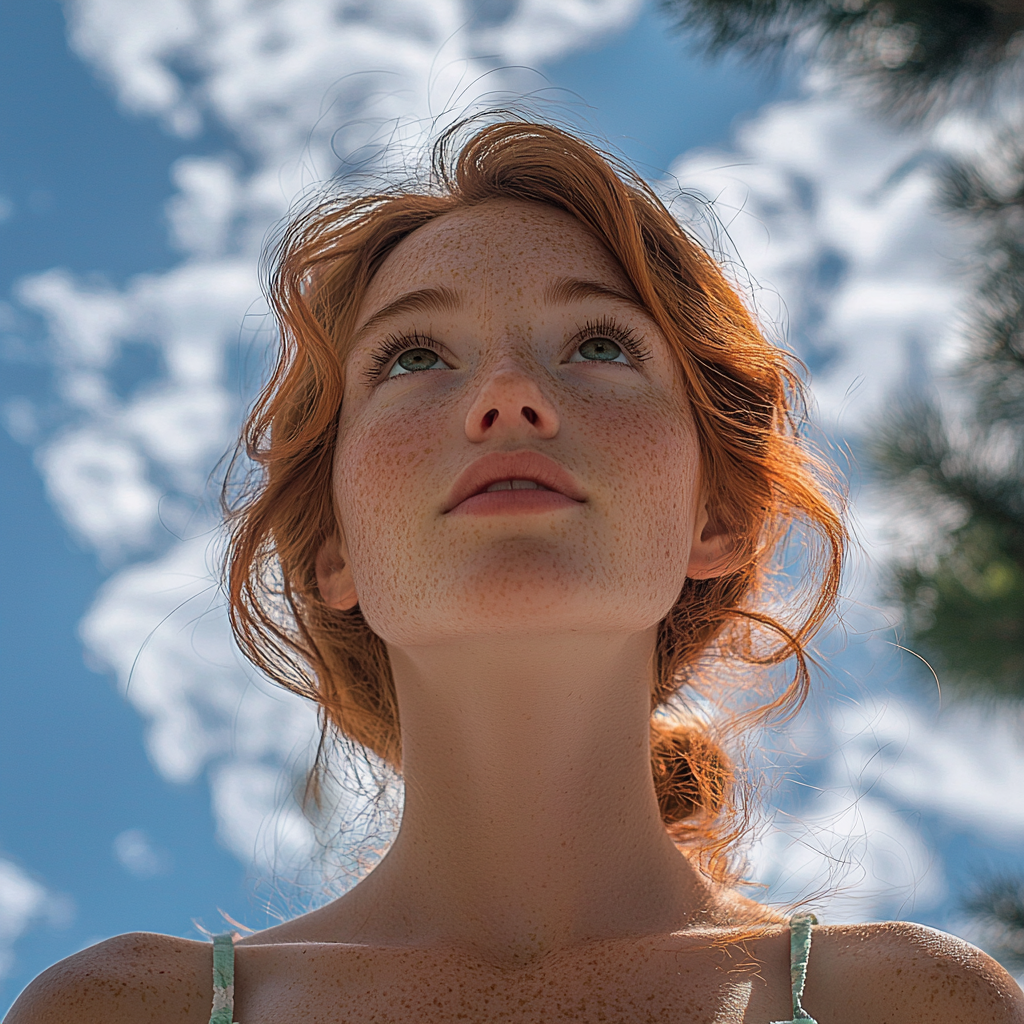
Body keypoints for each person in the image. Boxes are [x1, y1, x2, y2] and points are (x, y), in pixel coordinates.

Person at [6, 118, 1023, 1024]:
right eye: (412, 356)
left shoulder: (904, 1003)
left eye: (596, 343)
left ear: (713, 514)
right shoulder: (128, 1011)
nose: (506, 395)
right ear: (333, 548)